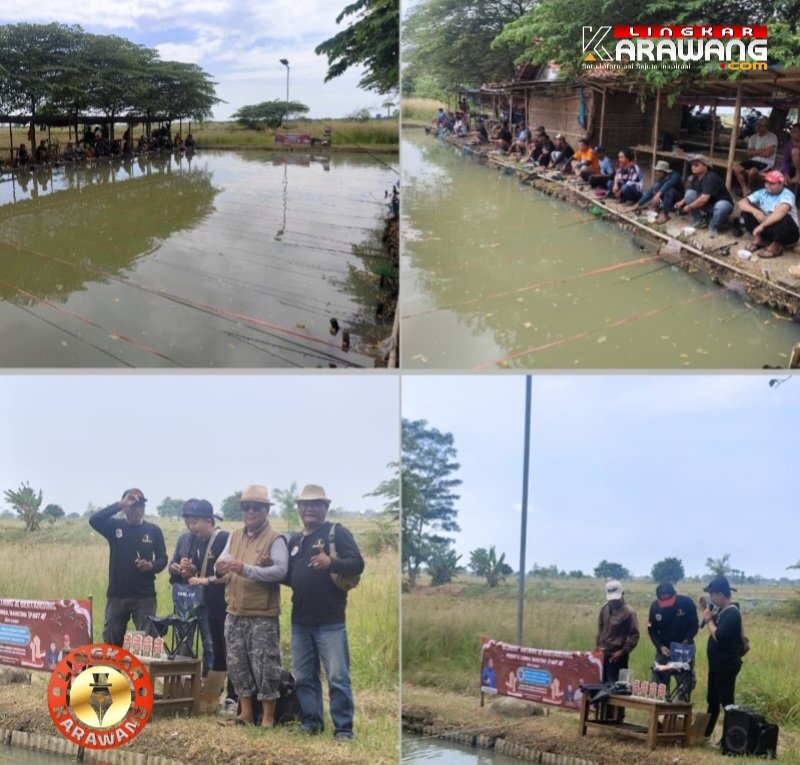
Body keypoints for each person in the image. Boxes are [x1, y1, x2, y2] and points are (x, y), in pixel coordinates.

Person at [285, 484, 365, 739]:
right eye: (305, 504)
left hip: (330, 621)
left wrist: (332, 562)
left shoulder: (336, 532)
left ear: (325, 508)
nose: (310, 508)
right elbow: (293, 577)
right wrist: (270, 568)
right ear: (298, 508)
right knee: (304, 677)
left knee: (337, 677)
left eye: (316, 504)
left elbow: (357, 563)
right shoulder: (296, 540)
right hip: (300, 621)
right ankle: (312, 722)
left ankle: (343, 729)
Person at [215, 484, 287, 727]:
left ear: (266, 510)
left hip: (262, 614)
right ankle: (245, 714)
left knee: (266, 666)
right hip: (234, 612)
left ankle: (267, 717)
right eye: (246, 507)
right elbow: (221, 562)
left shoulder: (275, 538)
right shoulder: (235, 535)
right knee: (237, 664)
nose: (251, 511)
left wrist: (247, 570)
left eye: (256, 507)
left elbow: (280, 570)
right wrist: (220, 568)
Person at [89, 488, 167, 647]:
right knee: (112, 642)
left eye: (141, 506)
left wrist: (150, 565)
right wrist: (120, 504)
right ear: (124, 508)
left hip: (144, 596)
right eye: (133, 506)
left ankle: (142, 672)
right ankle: (114, 671)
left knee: (146, 643)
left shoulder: (153, 530)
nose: (138, 510)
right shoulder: (114, 526)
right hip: (118, 594)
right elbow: (94, 520)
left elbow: (162, 559)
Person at [184, 499, 230, 713]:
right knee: (218, 651)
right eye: (189, 522)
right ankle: (213, 696)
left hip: (226, 605)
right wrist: (188, 569)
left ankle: (232, 697)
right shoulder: (197, 541)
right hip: (210, 605)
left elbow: (229, 574)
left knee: (226, 650)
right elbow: (198, 570)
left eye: (196, 522)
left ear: (208, 520)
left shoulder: (223, 539)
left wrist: (206, 580)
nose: (192, 527)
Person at [700, 576, 745, 744]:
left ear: (720, 594)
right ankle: (705, 735)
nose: (711, 598)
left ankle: (729, 739)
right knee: (713, 701)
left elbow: (719, 636)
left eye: (712, 595)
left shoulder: (732, 613)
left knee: (727, 703)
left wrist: (709, 619)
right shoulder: (722, 611)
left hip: (726, 665)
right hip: (716, 665)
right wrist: (706, 610)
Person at [647, 582, 698, 700]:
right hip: (664, 649)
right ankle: (660, 708)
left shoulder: (686, 603)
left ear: (674, 595)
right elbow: (652, 630)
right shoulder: (655, 607)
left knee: (686, 682)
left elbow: (694, 625)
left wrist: (687, 640)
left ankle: (679, 708)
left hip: (683, 648)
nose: (666, 604)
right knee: (657, 682)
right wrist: (660, 647)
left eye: (668, 600)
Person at [737, 169, 799, 258]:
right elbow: (741, 203)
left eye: (772, 183)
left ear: (781, 183)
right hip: (769, 228)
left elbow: (780, 213)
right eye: (766, 182)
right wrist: (755, 211)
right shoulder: (763, 192)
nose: (768, 186)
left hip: (789, 233)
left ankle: (775, 247)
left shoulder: (788, 195)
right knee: (747, 210)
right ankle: (759, 239)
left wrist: (762, 226)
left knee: (783, 217)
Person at [674, 155, 734, 237]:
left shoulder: (711, 177)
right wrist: (681, 202)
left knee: (721, 206)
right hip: (708, 205)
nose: (693, 167)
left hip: (720, 205)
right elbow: (693, 193)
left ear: (705, 166)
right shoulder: (696, 177)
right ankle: (699, 220)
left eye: (696, 165)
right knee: (689, 193)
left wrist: (689, 207)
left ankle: (713, 227)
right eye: (692, 165)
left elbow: (704, 199)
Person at [596, 580, 639, 683]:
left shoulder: (629, 612)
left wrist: (623, 651)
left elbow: (634, 635)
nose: (614, 601)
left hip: (617, 655)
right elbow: (601, 628)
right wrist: (597, 647)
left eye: (616, 599)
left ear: (622, 594)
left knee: (614, 686)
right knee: (599, 683)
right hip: (602, 653)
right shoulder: (604, 609)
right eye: (612, 599)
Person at [734, 116, 778, 196]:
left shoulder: (772, 137)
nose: (758, 127)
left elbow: (768, 154)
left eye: (761, 125)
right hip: (753, 160)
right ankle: (745, 188)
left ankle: (750, 188)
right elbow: (748, 153)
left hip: (766, 162)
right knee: (737, 168)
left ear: (766, 126)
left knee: (752, 171)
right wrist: (762, 150)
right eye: (757, 125)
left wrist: (754, 152)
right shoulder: (753, 137)